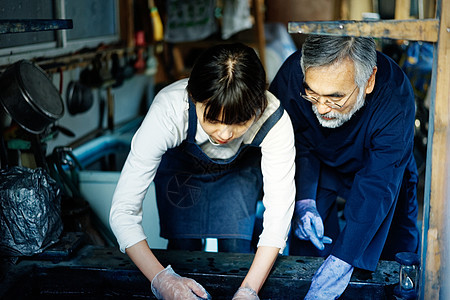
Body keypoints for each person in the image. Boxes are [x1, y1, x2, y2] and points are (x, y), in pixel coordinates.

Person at [110, 43, 296, 299]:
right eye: (213, 120)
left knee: (237, 254)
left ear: (258, 106)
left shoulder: (274, 120)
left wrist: (249, 291)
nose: (225, 134)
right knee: (182, 250)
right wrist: (162, 280)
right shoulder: (170, 109)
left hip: (237, 175)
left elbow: (278, 220)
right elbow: (123, 212)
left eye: (240, 122)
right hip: (183, 173)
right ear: (194, 98)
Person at [269, 35, 420, 299]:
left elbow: (377, 184)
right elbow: (292, 143)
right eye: (313, 95)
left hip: (381, 170)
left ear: (369, 80)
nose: (323, 108)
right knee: (309, 250)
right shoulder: (292, 76)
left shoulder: (395, 97)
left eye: (335, 97)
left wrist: (343, 260)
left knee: (391, 255)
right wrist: (304, 201)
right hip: (317, 160)